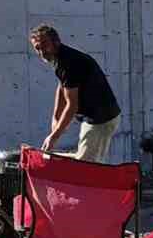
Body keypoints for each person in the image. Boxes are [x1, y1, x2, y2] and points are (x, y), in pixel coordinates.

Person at [29, 23, 121, 162]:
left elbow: (72, 106)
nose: (42, 51)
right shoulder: (60, 58)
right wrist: (55, 117)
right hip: (98, 117)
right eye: (38, 48)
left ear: (56, 41)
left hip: (101, 119)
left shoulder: (68, 63)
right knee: (88, 162)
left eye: (45, 45)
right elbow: (62, 87)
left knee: (86, 166)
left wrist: (54, 136)